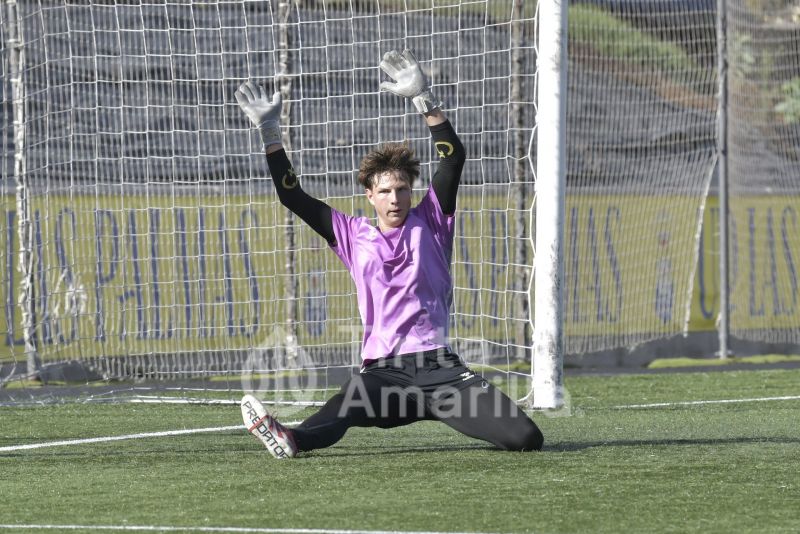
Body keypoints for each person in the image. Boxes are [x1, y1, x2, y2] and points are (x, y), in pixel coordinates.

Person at [235, 49, 543, 459]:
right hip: (384, 375)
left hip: (440, 372)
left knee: (526, 439)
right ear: (370, 195)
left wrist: (425, 100)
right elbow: (292, 196)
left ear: (410, 191)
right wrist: (270, 132)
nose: (394, 198)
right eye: (384, 191)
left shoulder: (432, 220)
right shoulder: (350, 233)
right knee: (347, 403)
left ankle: (447, 410)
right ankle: (291, 438)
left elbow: (453, 161)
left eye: (401, 189)